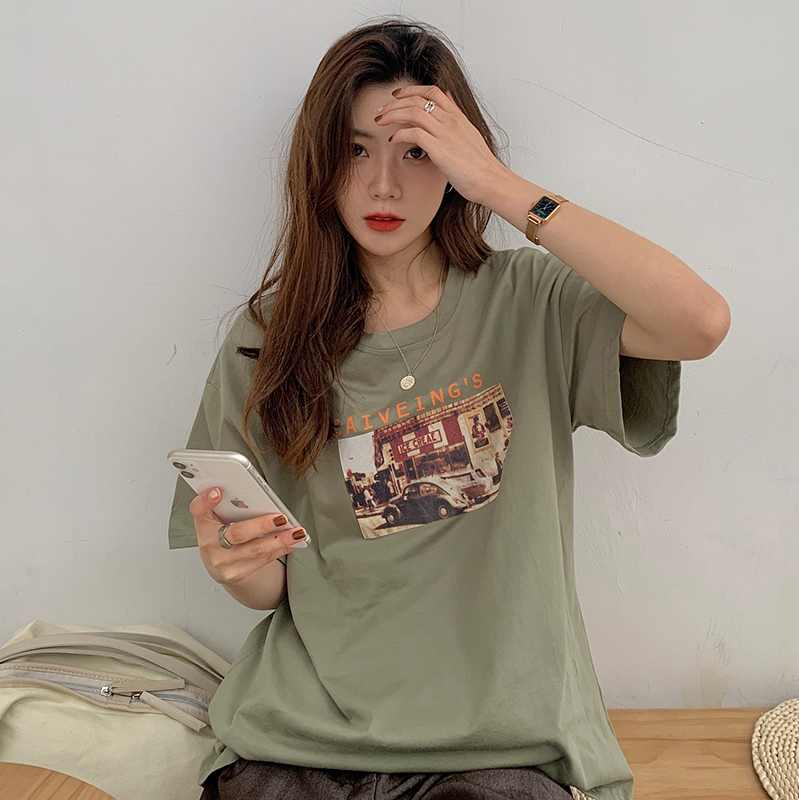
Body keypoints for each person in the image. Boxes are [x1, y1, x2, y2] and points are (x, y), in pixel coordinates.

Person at [168, 17, 729, 800]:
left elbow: (699, 322)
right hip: (296, 741)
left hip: (501, 747)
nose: (383, 186)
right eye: (356, 149)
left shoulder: (531, 303)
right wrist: (234, 567)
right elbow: (274, 586)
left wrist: (502, 186)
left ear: (459, 159)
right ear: (319, 162)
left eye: (417, 152)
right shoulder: (268, 337)